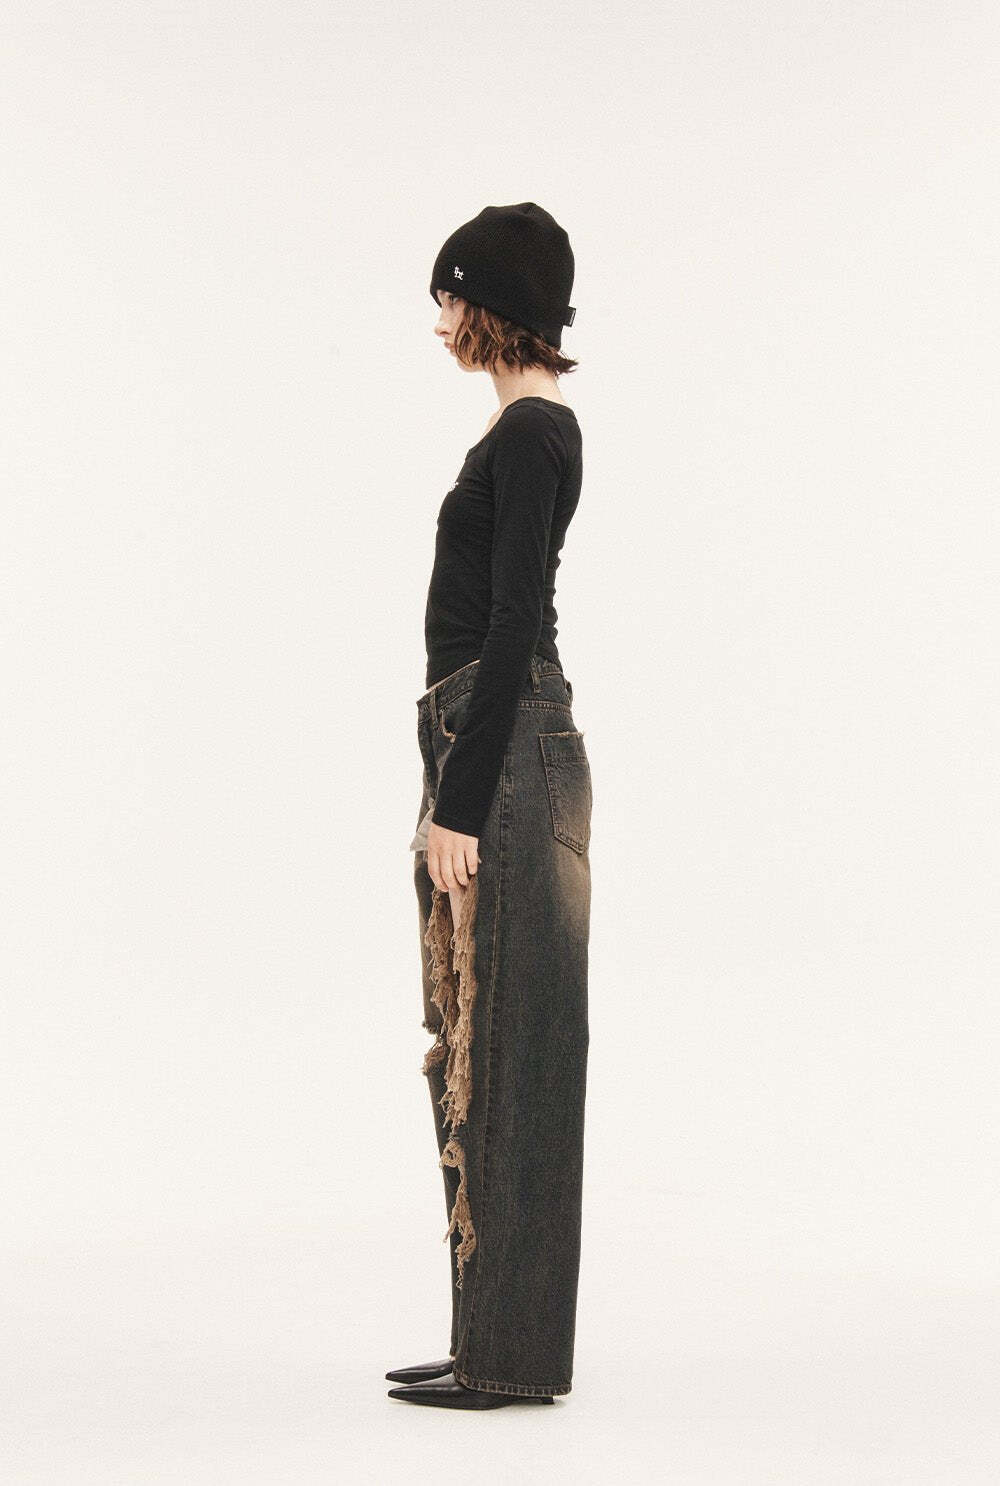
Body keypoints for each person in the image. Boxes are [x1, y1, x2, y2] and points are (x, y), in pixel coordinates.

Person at [387, 203, 593, 1410]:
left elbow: (514, 622)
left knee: (509, 1050)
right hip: (487, 738)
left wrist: (459, 803)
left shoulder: (529, 433)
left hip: (501, 746)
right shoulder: (527, 429)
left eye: (452, 297)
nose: (442, 322)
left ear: (494, 305)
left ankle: (506, 1355)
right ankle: (488, 1335)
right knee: (480, 1039)